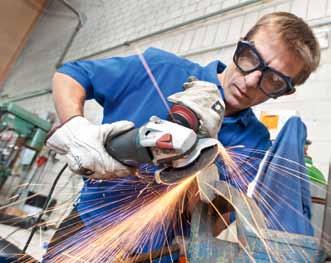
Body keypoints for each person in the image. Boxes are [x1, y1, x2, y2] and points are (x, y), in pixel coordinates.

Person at [44, 12, 320, 262]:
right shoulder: (160, 68)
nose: (250, 81)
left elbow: (216, 221)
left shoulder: (255, 142)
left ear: (284, 92)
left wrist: (196, 173)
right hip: (86, 230)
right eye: (250, 58)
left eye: (273, 80)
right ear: (240, 45)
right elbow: (71, 75)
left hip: (157, 254)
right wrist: (76, 128)